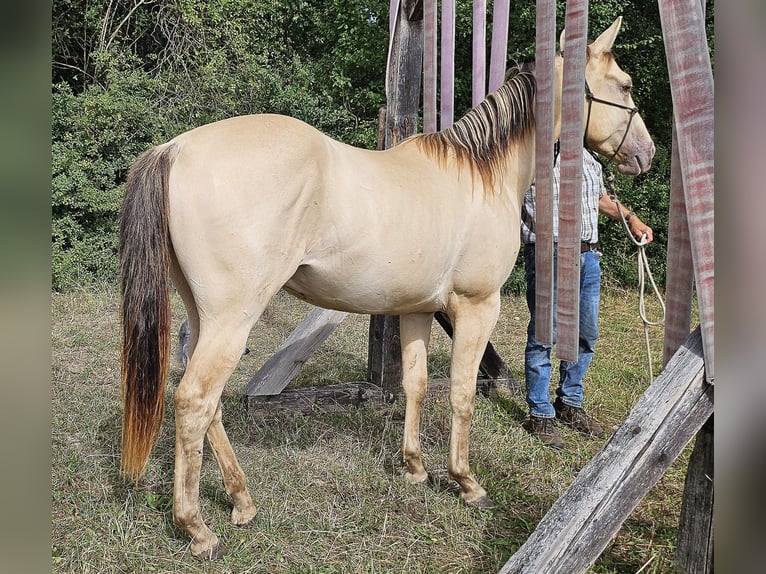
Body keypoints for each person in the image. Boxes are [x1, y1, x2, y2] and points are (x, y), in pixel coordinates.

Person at [520, 149, 653, 449]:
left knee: (585, 333)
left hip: (588, 254)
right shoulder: (534, 148)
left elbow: (598, 198)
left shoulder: (589, 154)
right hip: (548, 251)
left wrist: (632, 219)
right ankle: (540, 413)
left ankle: (569, 402)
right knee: (545, 333)